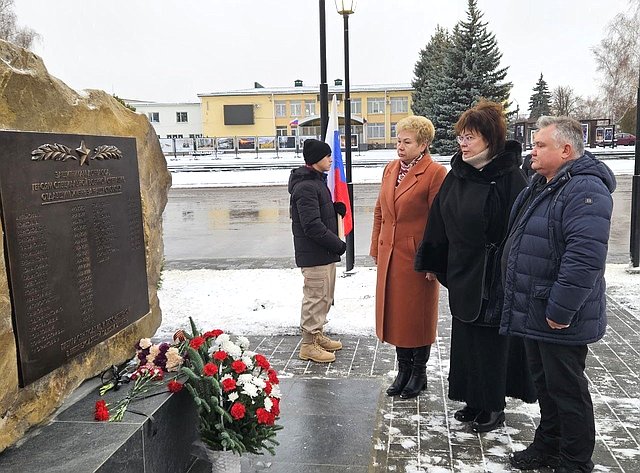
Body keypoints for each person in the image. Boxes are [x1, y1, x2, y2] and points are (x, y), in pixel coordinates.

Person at [501, 116, 615, 473]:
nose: (532, 151)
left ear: (566, 150)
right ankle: (548, 445)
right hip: (536, 305)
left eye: (540, 146)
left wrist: (561, 310)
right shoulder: (543, 184)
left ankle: (576, 461)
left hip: (558, 313)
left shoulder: (585, 190)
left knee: (567, 389)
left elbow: (584, 258)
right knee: (546, 385)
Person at [415, 100, 536, 432]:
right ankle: (473, 399)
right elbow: (438, 220)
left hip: (494, 275)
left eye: (469, 137)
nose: (462, 143)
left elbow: (521, 228)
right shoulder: (459, 173)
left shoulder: (509, 177)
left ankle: (493, 406)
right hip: (464, 271)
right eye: (461, 137)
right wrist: (434, 260)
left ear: (489, 139)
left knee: (492, 343)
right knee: (467, 338)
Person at [369, 115, 447, 399]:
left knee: (417, 316)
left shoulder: (435, 173)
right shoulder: (391, 169)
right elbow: (380, 210)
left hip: (417, 257)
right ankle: (402, 369)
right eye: (398, 140)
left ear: (423, 144)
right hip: (390, 254)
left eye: (407, 142)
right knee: (397, 315)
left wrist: (433, 260)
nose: (400, 147)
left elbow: (440, 220)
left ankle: (419, 373)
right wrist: (377, 247)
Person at [288, 138, 347, 363]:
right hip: (314, 255)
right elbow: (311, 225)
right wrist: (336, 244)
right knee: (315, 297)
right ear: (315, 160)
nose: (331, 160)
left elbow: (318, 212)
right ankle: (308, 345)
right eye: (327, 156)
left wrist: (334, 209)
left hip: (323, 254)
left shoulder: (316, 183)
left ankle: (317, 333)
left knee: (325, 296)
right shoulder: (305, 187)